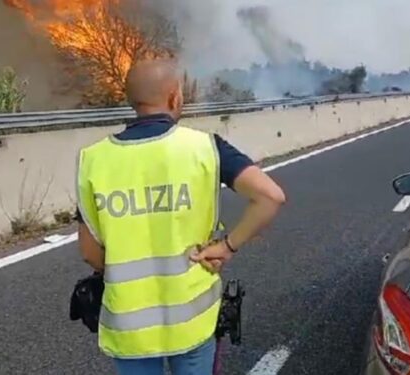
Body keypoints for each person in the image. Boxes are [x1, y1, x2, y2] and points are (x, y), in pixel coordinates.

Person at [74, 58, 286, 375]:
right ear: (175, 97)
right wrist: (227, 246)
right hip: (191, 322)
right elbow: (270, 197)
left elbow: (90, 253)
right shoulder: (204, 147)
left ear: (132, 101)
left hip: (129, 329)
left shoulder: (93, 160)